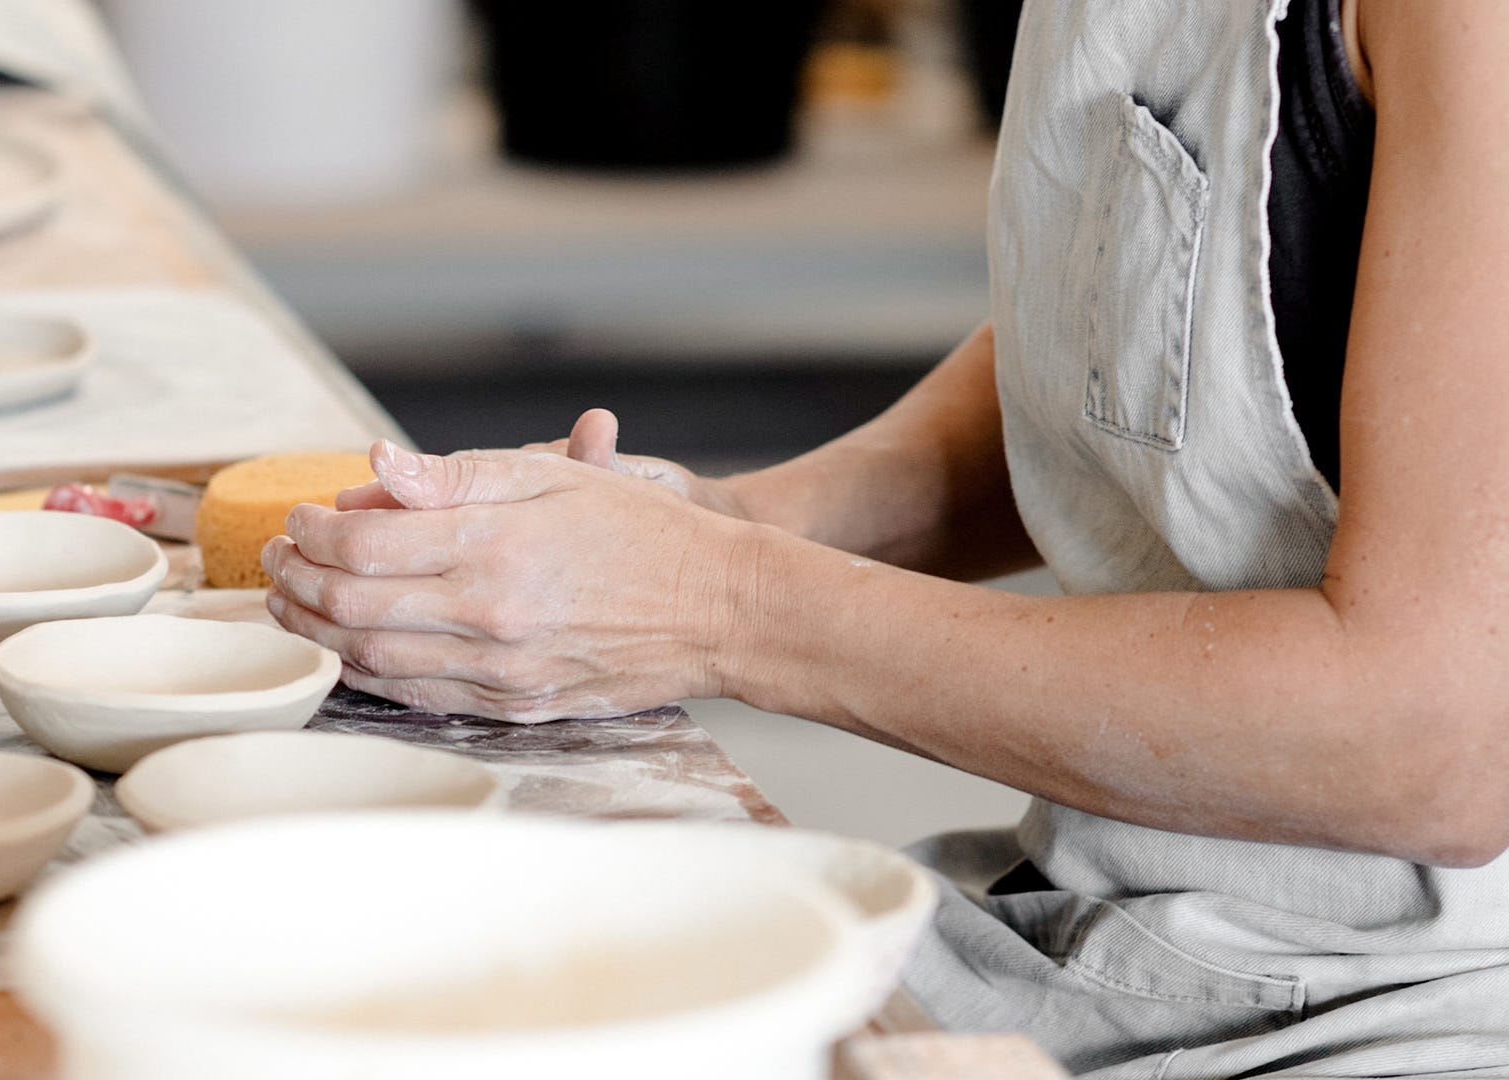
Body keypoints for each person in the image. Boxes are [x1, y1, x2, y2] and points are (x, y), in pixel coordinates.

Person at [261, 0, 1509, 1074]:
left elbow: (1433, 736)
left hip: (1408, 1013)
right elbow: (1152, 346)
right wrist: (733, 519)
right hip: (1116, 934)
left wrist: (720, 603)